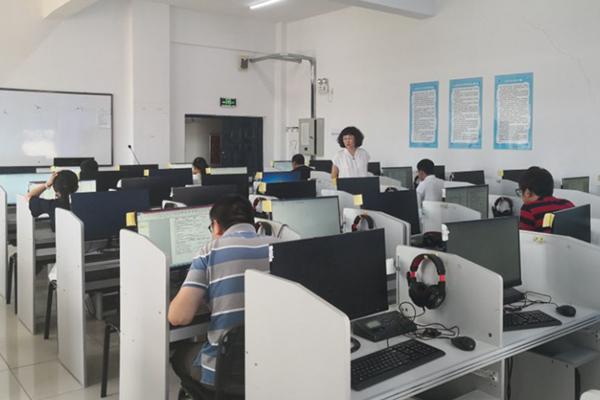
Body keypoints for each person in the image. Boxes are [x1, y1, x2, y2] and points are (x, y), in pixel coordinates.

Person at [169, 194, 280, 389]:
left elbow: (178, 317)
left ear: (216, 226)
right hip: (274, 369)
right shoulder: (281, 246)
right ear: (254, 224)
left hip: (224, 375)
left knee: (180, 355)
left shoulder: (208, 252)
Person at [518, 167, 574, 232]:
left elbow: (524, 236)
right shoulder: (568, 204)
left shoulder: (528, 209)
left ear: (527, 192)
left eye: (520, 192)